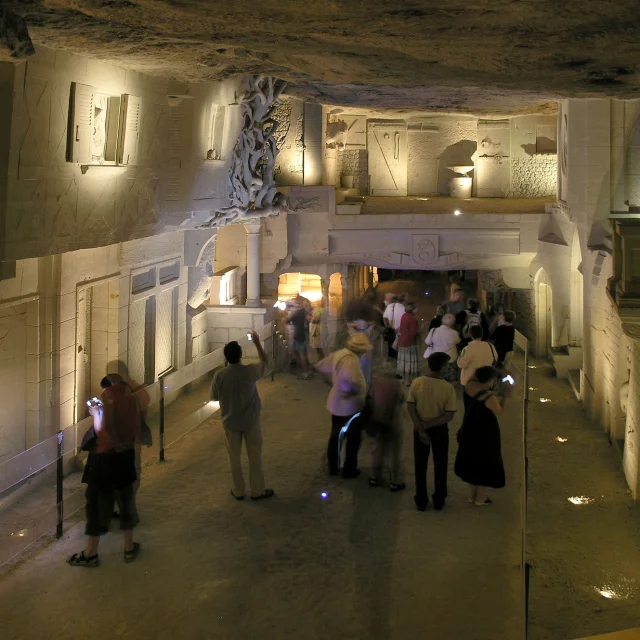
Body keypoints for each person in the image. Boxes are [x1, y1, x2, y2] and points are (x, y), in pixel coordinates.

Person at [68, 374, 141, 567]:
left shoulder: (107, 399)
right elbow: (135, 426)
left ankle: (91, 553)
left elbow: (102, 429)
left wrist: (95, 414)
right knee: (126, 501)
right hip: (126, 456)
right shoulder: (131, 398)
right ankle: (129, 548)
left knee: (96, 504)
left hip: (105, 459)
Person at [211, 332, 274, 501]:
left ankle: (238, 490)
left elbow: (214, 397)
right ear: (241, 355)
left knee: (234, 457)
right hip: (251, 420)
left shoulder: (220, 375)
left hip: (230, 421)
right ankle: (257, 490)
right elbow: (265, 363)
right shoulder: (249, 371)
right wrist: (257, 343)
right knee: (255, 456)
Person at [316, 332, 371, 478]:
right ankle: (349, 469)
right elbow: (356, 383)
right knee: (353, 439)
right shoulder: (352, 361)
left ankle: (333, 467)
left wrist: (331, 383)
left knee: (336, 436)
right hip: (350, 407)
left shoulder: (340, 354)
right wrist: (350, 391)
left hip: (335, 404)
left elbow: (320, 366)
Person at [407, 352, 457, 511]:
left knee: (420, 465)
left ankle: (421, 499)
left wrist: (421, 428)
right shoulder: (447, 388)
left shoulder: (417, 382)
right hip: (439, 430)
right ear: (442, 367)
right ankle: (439, 499)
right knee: (440, 463)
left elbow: (410, 407)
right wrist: (429, 426)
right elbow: (448, 415)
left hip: (419, 427)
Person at [455, 366, 511, 505]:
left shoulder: (469, 385)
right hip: (485, 431)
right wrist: (505, 396)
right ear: (490, 380)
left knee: (471, 459)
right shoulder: (489, 397)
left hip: (469, 426)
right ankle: (480, 497)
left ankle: (472, 493)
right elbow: (499, 410)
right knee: (484, 460)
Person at [365, 373, 406, 492]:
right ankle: (394, 482)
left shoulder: (375, 383)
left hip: (377, 422)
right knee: (394, 454)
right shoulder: (395, 385)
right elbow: (401, 399)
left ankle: (374, 477)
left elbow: (369, 399)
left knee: (377, 450)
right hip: (393, 423)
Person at [457, 325, 498, 408]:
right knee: (484, 405)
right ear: (481, 334)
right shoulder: (490, 346)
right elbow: (495, 359)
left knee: (470, 405)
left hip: (470, 381)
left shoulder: (468, 348)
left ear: (470, 335)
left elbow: (461, 365)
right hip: (486, 380)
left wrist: (459, 357)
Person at [424, 313, 461, 384]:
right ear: (453, 323)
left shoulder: (433, 330)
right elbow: (458, 341)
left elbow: (427, 342)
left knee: (436, 379)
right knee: (450, 381)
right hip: (450, 360)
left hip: (436, 358)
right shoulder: (454, 333)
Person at [397, 301, 420, 386]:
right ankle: (408, 380)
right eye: (416, 308)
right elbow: (413, 332)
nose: (417, 309)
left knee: (403, 361)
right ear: (413, 309)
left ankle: (403, 378)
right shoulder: (412, 319)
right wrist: (419, 331)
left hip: (402, 341)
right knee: (409, 362)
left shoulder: (404, 316)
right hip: (410, 343)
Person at [288, 300, 311, 379]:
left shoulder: (297, 312)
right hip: (305, 335)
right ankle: (304, 370)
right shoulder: (307, 313)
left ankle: (305, 373)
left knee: (301, 354)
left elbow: (287, 320)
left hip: (299, 335)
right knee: (302, 354)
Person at [383, 294, 406, 358]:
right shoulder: (403, 308)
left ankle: (391, 357)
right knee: (398, 345)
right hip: (399, 330)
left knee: (390, 344)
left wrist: (387, 326)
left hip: (391, 328)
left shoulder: (389, 306)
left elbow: (384, 317)